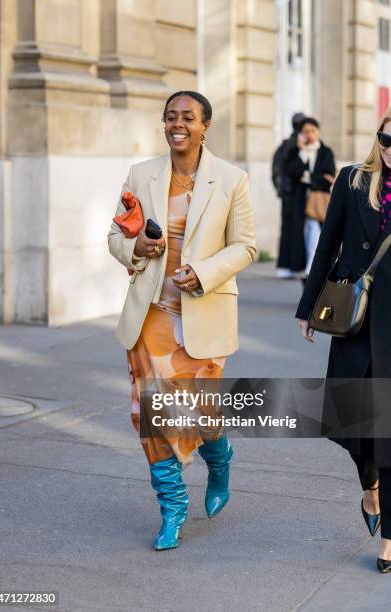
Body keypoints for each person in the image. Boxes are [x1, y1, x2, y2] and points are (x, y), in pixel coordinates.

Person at [108, 91, 257, 551]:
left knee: (201, 412)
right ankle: (172, 508)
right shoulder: (142, 174)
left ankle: (220, 458)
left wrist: (205, 272)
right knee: (153, 415)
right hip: (152, 312)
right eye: (170, 117)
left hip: (204, 313)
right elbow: (116, 234)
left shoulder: (231, 180)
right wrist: (138, 248)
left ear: (204, 126)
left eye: (187, 118)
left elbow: (247, 245)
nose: (178, 125)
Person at [296, 109, 391, 573]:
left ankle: (389, 537)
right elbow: (328, 242)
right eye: (387, 138)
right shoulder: (353, 180)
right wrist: (307, 306)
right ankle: (370, 488)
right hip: (354, 319)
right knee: (356, 427)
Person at [285, 117, 335, 282]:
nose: (310, 135)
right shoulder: (295, 151)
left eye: (312, 131)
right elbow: (292, 172)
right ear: (300, 134)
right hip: (300, 201)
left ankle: (311, 269)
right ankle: (306, 270)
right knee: (302, 236)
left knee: (316, 234)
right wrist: (301, 154)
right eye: (306, 132)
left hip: (319, 202)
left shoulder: (325, 151)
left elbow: (329, 177)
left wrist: (308, 177)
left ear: (318, 132)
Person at [272, 112, 305, 278]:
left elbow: (276, 170)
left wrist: (280, 189)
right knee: (296, 229)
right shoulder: (296, 145)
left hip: (287, 193)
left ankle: (286, 265)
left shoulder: (284, 145)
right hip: (295, 193)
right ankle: (292, 266)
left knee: (287, 228)